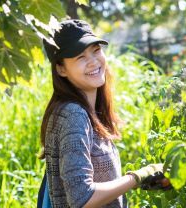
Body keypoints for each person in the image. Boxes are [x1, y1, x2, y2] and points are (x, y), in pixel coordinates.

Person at [39, 19, 169, 208]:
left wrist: (147, 177)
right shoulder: (73, 114)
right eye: (80, 57)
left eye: (96, 50)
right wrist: (138, 176)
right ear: (61, 69)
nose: (93, 61)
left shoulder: (80, 110)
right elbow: (82, 198)